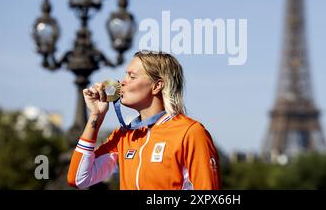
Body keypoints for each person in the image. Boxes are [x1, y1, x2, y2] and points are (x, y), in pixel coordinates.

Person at [67, 50, 221, 190]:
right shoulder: (124, 136)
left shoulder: (191, 132)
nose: (122, 83)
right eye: (125, 75)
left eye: (132, 76)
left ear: (157, 86)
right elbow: (78, 179)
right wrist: (96, 116)